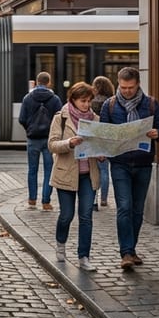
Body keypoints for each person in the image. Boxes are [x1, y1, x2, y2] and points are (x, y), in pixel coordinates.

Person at [99, 67, 159, 270]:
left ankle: (132, 249)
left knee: (138, 211)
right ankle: (126, 253)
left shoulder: (151, 104)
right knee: (124, 207)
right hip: (120, 164)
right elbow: (102, 132)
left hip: (143, 163)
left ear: (138, 84)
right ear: (118, 84)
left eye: (130, 87)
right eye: (122, 87)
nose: (126, 91)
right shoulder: (109, 105)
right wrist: (103, 147)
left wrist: (158, 133)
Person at [48, 82, 101, 272]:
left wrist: (102, 153)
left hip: (88, 174)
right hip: (66, 174)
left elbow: (99, 146)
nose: (86, 105)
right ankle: (60, 244)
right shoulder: (61, 118)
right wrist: (69, 142)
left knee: (86, 217)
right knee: (66, 215)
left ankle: (84, 257)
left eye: (88, 101)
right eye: (82, 101)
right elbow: (52, 145)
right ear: (73, 100)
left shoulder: (95, 119)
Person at [18, 72, 63, 211]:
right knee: (49, 170)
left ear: (37, 82)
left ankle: (32, 200)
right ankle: (45, 201)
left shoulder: (27, 98)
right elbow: (60, 119)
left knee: (32, 170)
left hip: (33, 139)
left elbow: (21, 119)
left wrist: (30, 129)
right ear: (49, 82)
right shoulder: (55, 99)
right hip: (49, 139)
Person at [90, 75, 116, 210]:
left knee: (96, 170)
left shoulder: (92, 102)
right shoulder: (112, 102)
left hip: (95, 138)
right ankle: (104, 199)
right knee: (105, 170)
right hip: (108, 138)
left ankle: (94, 197)